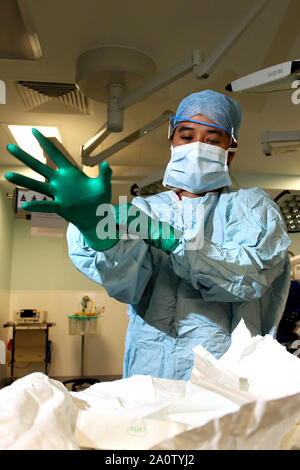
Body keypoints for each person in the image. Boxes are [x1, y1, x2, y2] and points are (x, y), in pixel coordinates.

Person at [5, 90, 291, 381]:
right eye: (187, 136)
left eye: (212, 140)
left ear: (231, 150)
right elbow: (129, 285)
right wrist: (97, 232)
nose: (197, 147)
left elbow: (249, 277)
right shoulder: (143, 211)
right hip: (149, 365)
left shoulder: (251, 209)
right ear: (172, 141)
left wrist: (175, 242)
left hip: (223, 371)